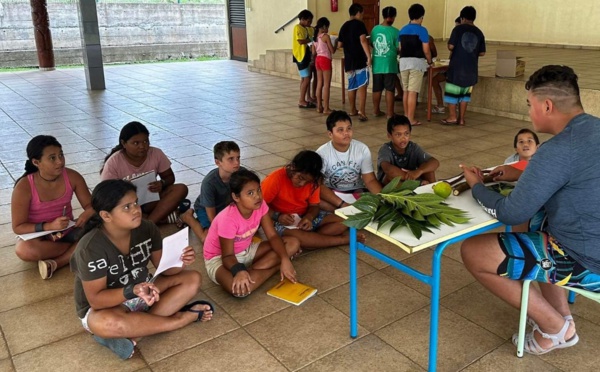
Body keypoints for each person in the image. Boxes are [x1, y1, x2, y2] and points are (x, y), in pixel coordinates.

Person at [460, 65, 600, 355]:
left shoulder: (557, 149)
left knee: (473, 251)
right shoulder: (593, 129)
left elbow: (511, 212)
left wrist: (476, 186)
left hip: (589, 259)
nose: (529, 113)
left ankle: (555, 328)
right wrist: (521, 175)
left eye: (530, 105)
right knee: (537, 219)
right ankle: (564, 318)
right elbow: (580, 176)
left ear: (546, 105)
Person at [70, 179, 213, 360]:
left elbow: (166, 270)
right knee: (104, 323)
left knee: (192, 279)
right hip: (106, 306)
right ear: (106, 216)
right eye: (127, 207)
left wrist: (180, 261)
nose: (136, 210)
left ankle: (135, 331)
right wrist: (132, 290)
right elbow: (97, 300)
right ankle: (179, 320)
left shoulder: (146, 228)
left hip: (143, 291)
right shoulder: (90, 248)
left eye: (136, 203)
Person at [203, 169, 300, 298]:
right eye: (250, 193)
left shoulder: (260, 205)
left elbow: (272, 236)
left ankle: (256, 270)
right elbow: (227, 256)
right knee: (239, 290)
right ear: (236, 197)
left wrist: (284, 259)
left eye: (258, 190)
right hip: (220, 258)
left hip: (247, 250)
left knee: (293, 243)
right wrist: (239, 271)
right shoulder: (228, 219)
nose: (257, 196)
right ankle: (273, 268)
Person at [11, 135, 94, 280]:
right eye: (52, 158)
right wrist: (49, 226)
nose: (60, 161)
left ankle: (56, 263)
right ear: (36, 162)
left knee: (103, 225)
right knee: (24, 250)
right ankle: (78, 249)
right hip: (39, 236)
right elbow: (18, 227)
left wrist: (87, 213)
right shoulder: (24, 186)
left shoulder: (72, 176)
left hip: (67, 231)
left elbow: (91, 205)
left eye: (61, 155)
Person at [261, 150, 364, 250]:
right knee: (296, 236)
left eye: (307, 181)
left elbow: (314, 206)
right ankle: (342, 240)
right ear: (292, 167)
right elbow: (259, 206)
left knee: (345, 220)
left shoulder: (313, 182)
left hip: (303, 216)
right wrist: (277, 216)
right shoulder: (275, 179)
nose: (302, 184)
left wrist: (309, 217)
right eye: (300, 178)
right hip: (281, 220)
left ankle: (312, 240)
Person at [100, 121, 189, 226]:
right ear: (124, 143)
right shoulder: (113, 162)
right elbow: (105, 193)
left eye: (146, 141)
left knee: (181, 189)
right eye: (136, 143)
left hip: (150, 201)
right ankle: (162, 218)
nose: (142, 146)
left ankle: (148, 223)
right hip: (126, 204)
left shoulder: (156, 153)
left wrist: (162, 183)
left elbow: (169, 177)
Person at [317, 110, 382, 211]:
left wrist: (383, 199)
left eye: (349, 128)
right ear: (330, 134)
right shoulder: (322, 153)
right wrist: (342, 204)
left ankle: (343, 213)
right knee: (317, 201)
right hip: (333, 193)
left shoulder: (362, 149)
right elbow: (318, 185)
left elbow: (370, 180)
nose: (346, 133)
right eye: (340, 130)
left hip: (357, 192)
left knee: (374, 204)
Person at [180, 141, 243, 242]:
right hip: (206, 208)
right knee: (208, 239)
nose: (237, 163)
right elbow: (212, 217)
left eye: (238, 158)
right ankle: (188, 217)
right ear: (218, 162)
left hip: (227, 209)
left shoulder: (243, 175)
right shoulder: (209, 183)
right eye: (231, 159)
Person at [441, 6, 486, 126]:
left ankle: (452, 117)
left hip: (457, 68)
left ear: (462, 18)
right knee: (465, 95)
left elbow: (451, 46)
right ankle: (461, 119)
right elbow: (482, 52)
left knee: (452, 93)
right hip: (471, 69)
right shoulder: (479, 32)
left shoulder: (458, 29)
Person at [377, 114, 439, 185]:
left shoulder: (413, 147)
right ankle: (410, 192)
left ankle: (432, 190)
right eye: (398, 135)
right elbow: (389, 170)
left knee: (428, 169)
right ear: (389, 135)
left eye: (406, 134)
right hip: (391, 185)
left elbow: (435, 162)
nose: (403, 138)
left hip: (412, 180)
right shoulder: (386, 149)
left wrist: (419, 171)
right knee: (392, 177)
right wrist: (415, 180)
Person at [398, 3, 433, 126]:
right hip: (416, 63)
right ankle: (411, 119)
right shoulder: (422, 30)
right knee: (413, 92)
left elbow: (400, 47)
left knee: (406, 90)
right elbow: (426, 50)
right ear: (421, 17)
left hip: (403, 62)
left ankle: (407, 116)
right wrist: (430, 61)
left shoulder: (402, 29)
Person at [337, 3, 371, 122]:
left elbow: (339, 44)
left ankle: (352, 110)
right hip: (360, 59)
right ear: (358, 12)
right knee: (362, 85)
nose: (362, 16)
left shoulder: (344, 26)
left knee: (351, 86)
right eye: (362, 13)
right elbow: (363, 40)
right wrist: (369, 56)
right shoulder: (360, 25)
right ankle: (362, 111)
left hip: (349, 60)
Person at [371, 6, 400, 119]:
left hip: (377, 63)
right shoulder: (396, 31)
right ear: (393, 17)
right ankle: (390, 113)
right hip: (390, 64)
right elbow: (398, 48)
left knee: (377, 88)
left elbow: (371, 43)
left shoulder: (375, 29)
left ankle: (375, 110)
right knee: (390, 89)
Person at [430, 17, 461, 114]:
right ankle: (442, 106)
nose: (455, 28)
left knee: (452, 83)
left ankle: (443, 106)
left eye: (457, 26)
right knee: (434, 79)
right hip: (455, 66)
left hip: (457, 69)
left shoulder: (458, 36)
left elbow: (451, 48)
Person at [312, 17, 336, 114]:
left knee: (319, 84)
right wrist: (336, 42)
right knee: (326, 85)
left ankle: (319, 107)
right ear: (324, 26)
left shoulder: (315, 37)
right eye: (328, 27)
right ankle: (326, 108)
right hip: (325, 60)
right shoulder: (325, 36)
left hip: (318, 60)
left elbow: (313, 52)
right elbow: (332, 50)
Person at [293, 9, 316, 109]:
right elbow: (301, 41)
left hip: (307, 56)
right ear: (302, 19)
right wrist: (311, 39)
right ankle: (301, 100)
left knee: (305, 78)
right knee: (306, 79)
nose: (309, 23)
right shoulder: (297, 28)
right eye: (308, 21)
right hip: (300, 56)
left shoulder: (308, 28)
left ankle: (307, 97)